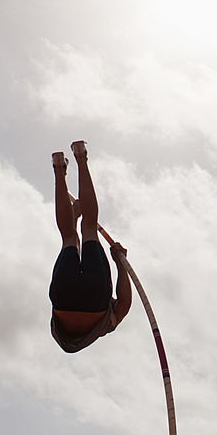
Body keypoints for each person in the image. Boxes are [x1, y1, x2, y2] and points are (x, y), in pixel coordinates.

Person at [49, 140, 131, 353]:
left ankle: (81, 157)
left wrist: (120, 262)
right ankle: (59, 169)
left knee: (90, 228)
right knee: (69, 237)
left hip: (94, 298)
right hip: (63, 297)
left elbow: (124, 304)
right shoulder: (66, 332)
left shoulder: (106, 326)